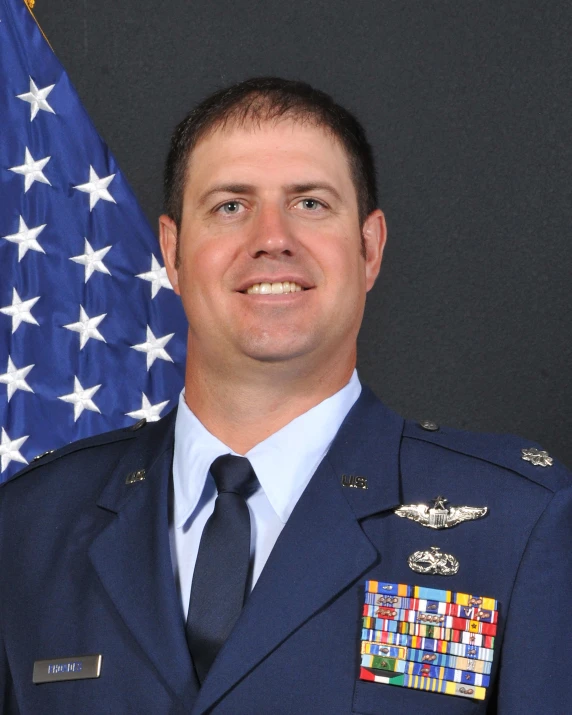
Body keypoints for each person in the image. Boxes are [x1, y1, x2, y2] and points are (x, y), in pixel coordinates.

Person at [1, 77, 571, 715]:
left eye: (310, 204)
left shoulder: (516, 526)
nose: (272, 237)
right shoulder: (28, 527)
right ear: (173, 251)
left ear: (370, 248)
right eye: (230, 206)